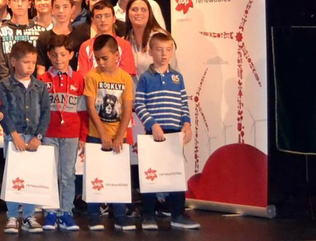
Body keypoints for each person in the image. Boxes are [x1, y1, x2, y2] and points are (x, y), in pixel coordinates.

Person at [133, 33, 197, 231]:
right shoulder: (145, 78)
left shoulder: (177, 78)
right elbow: (139, 104)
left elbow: (183, 104)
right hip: (154, 134)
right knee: (150, 175)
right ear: (150, 52)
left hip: (174, 133)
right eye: (159, 49)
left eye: (168, 49)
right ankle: (149, 215)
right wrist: (152, 124)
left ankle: (178, 213)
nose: (164, 54)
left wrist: (186, 124)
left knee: (175, 174)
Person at [0, 41, 50, 233]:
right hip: (14, 137)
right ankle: (12, 215)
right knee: (14, 176)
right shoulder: (4, 85)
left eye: (33, 62)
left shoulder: (40, 86)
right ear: (13, 62)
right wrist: (14, 134)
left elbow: (46, 112)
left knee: (31, 176)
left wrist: (39, 137)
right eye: (26, 62)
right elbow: (3, 111)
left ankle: (29, 215)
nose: (30, 66)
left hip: (34, 137)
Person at [81, 35, 133, 231]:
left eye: (105, 58)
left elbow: (127, 108)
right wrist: (102, 133)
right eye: (97, 59)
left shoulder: (125, 78)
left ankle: (120, 215)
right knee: (97, 174)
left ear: (116, 55)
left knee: (118, 175)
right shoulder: (92, 76)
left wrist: (120, 135)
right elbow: (91, 107)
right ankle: (94, 215)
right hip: (96, 135)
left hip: (119, 135)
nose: (101, 63)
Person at [36, 31, 81, 232]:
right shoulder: (42, 79)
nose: (59, 59)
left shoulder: (79, 79)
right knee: (50, 173)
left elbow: (84, 110)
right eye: (54, 55)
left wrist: (83, 136)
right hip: (48, 133)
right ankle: (51, 211)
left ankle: (66, 212)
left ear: (71, 54)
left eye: (63, 54)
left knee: (67, 174)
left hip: (71, 134)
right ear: (48, 55)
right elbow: (38, 110)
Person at [0, 0, 43, 81]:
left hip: (36, 88)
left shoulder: (41, 32)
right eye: (15, 0)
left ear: (29, 4)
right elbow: (0, 67)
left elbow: (43, 65)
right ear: (9, 4)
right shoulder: (1, 33)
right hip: (8, 89)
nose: (19, 4)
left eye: (23, 0)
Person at [121, 0, 168, 74]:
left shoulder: (160, 39)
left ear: (149, 14)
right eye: (134, 9)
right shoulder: (124, 40)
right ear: (127, 13)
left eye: (143, 10)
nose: (139, 13)